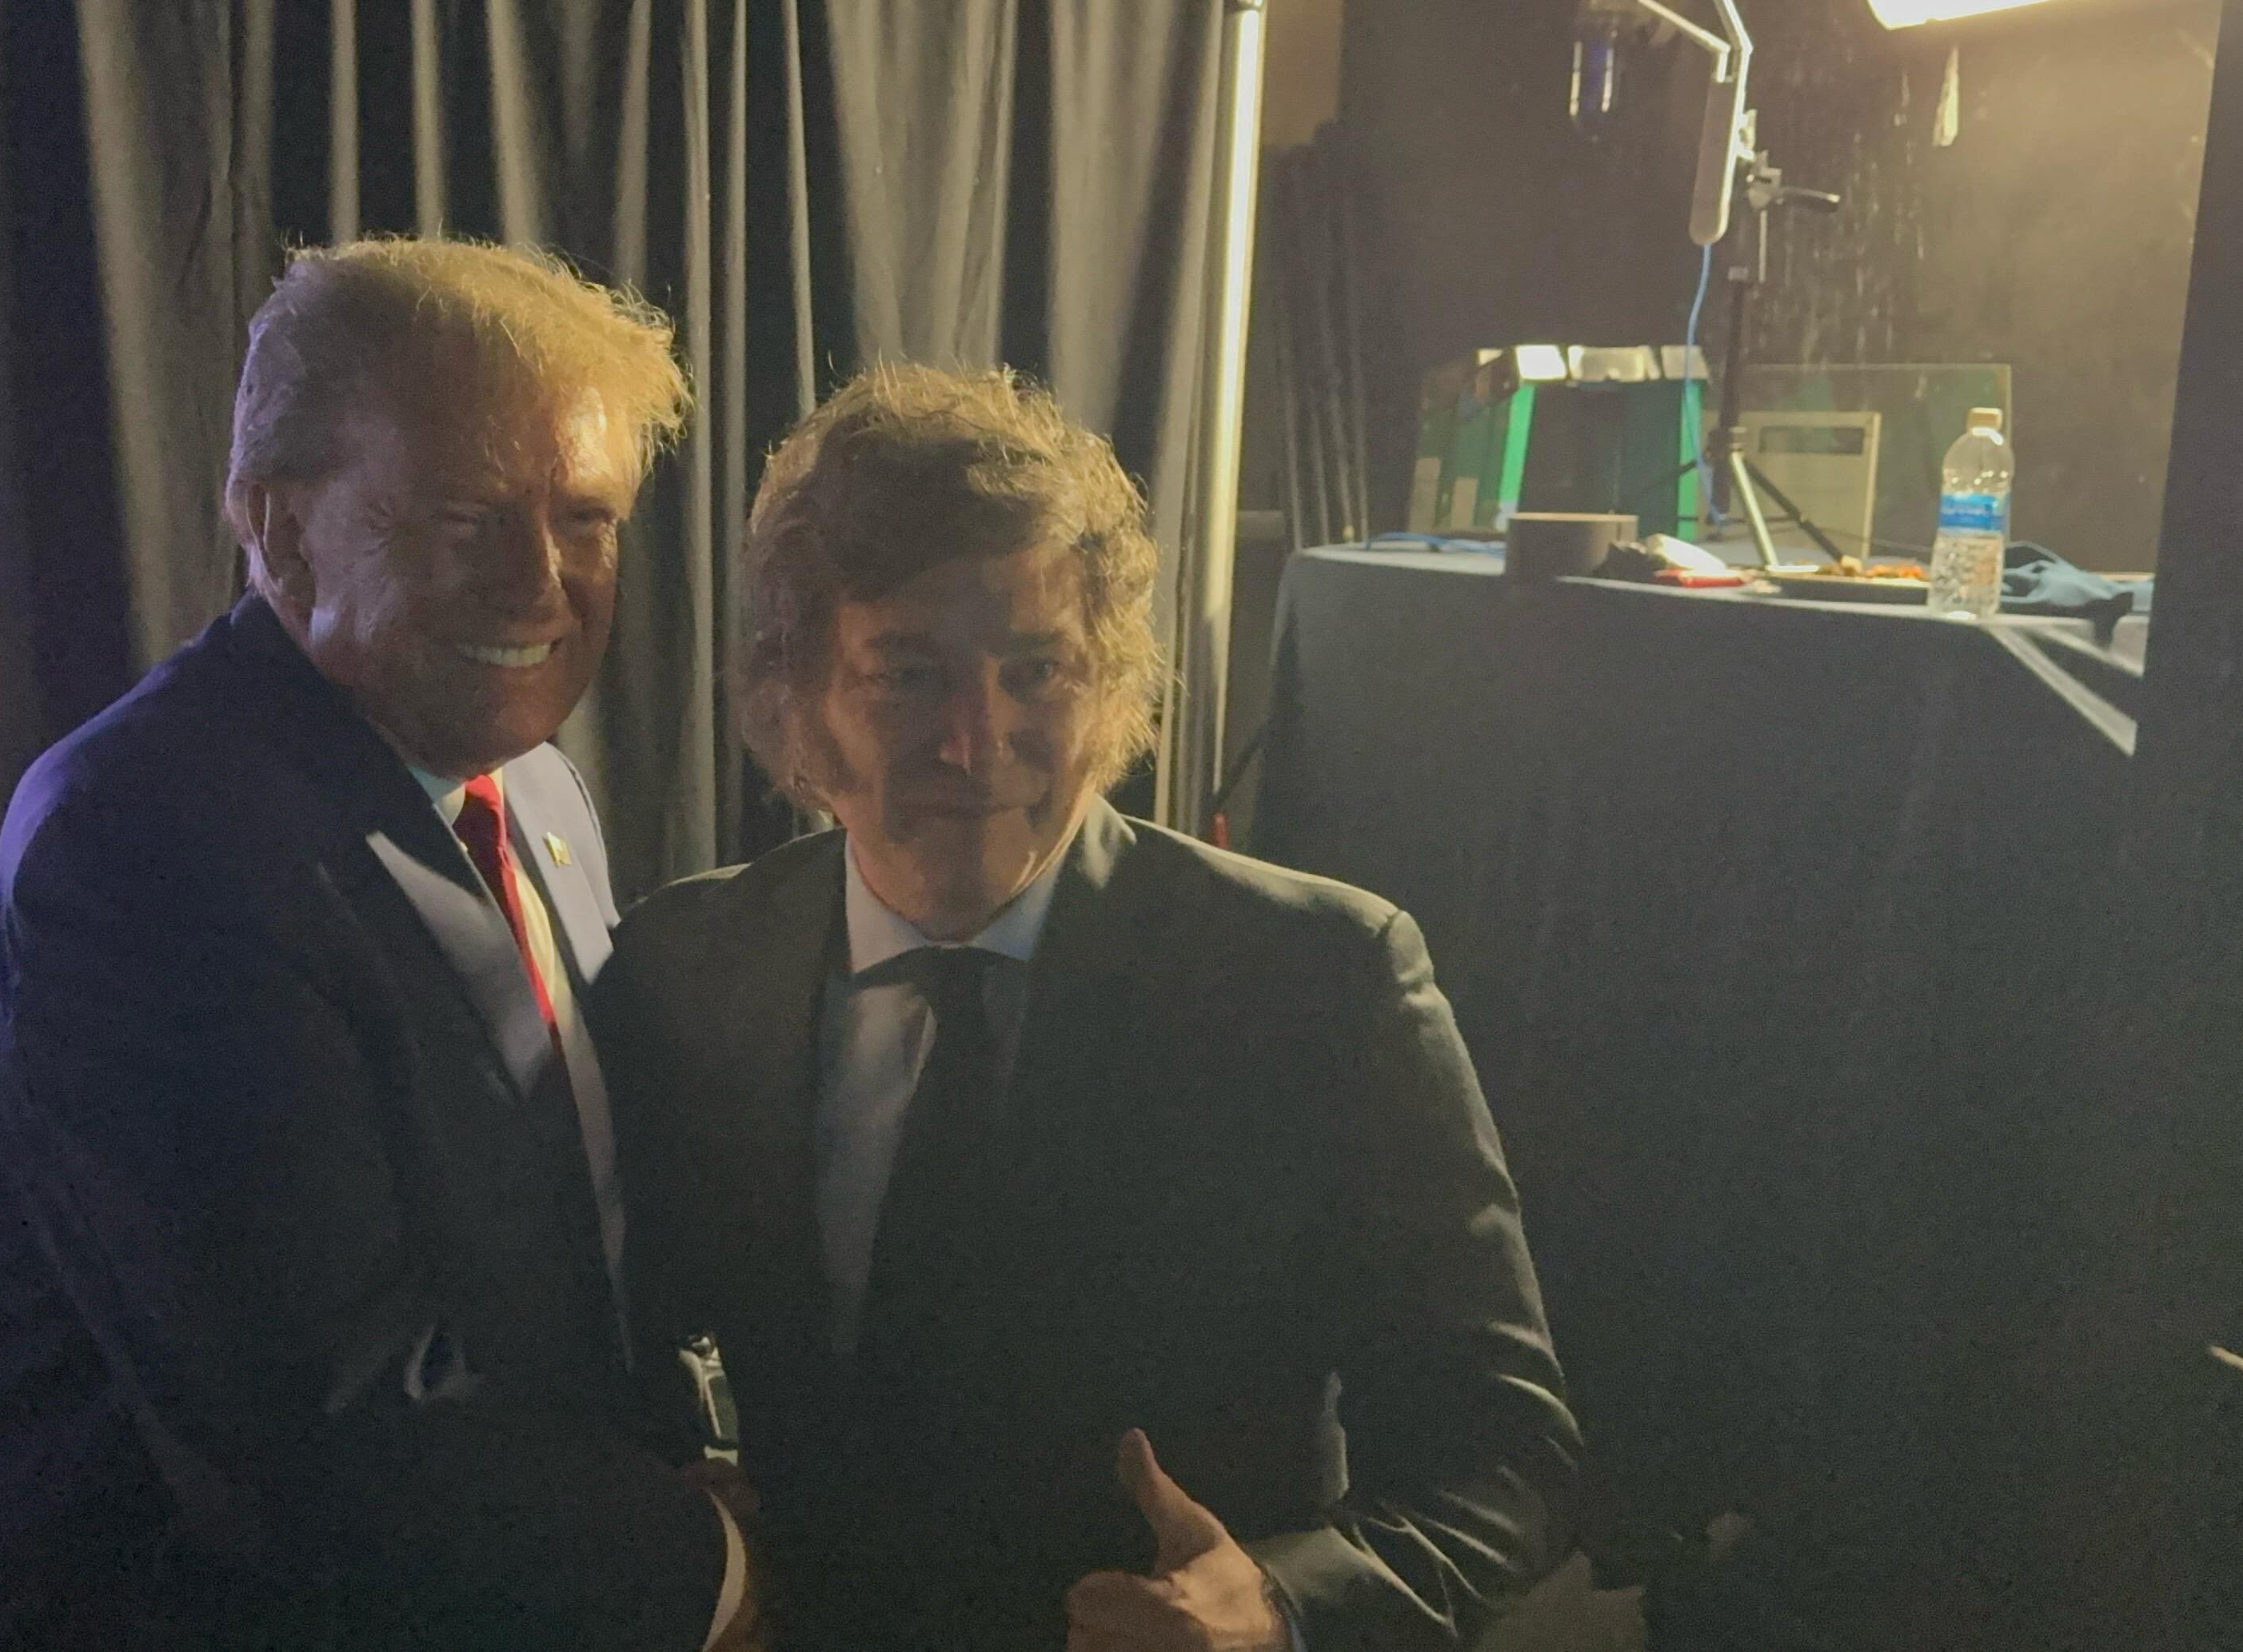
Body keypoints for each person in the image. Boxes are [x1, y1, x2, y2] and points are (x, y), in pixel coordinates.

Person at [0, 238, 753, 1652]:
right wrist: (720, 1568)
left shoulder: (536, 786)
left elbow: (571, 1250)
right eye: (467, 517)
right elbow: (331, 1441)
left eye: (587, 515)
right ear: (273, 528)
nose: (544, 581)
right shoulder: (145, 849)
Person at [594, 364, 1582, 1652]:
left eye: (1035, 670)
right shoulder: (690, 968)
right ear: (793, 698)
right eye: (909, 674)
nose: (978, 738)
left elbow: (1508, 1454)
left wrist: (1278, 1606)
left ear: (1111, 683)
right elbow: (615, 1358)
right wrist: (683, 1527)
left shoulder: (1323, 983)